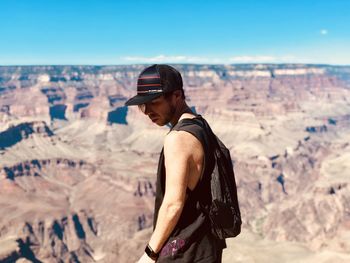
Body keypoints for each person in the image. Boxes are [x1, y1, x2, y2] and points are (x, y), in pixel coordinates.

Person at [125, 64, 226, 263]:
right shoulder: (201, 125)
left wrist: (150, 254)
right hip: (205, 248)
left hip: (183, 252)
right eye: (142, 105)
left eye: (153, 102)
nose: (147, 111)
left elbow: (173, 204)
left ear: (177, 95)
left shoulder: (178, 139)